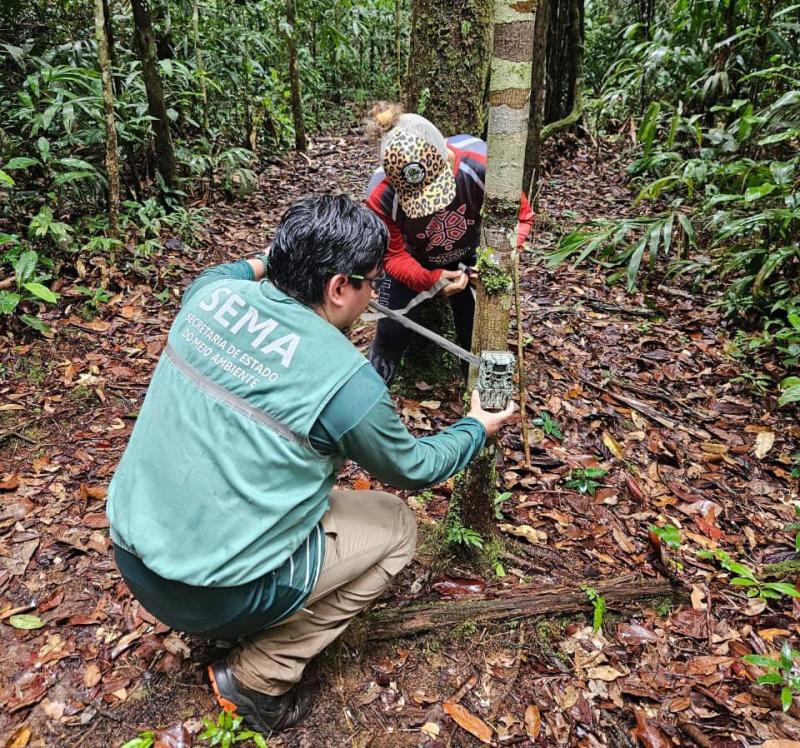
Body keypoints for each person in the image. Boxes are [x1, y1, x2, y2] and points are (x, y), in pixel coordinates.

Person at [106, 195, 516, 735]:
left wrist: (283, 259)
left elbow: (239, 267)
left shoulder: (209, 294)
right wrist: (476, 427)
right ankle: (257, 677)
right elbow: (413, 468)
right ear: (338, 287)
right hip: (207, 594)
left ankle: (236, 603)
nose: (373, 296)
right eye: (369, 283)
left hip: (132, 554)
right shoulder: (346, 383)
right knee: (397, 529)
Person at [364, 102, 534, 384]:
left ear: (445, 150)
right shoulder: (381, 194)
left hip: (471, 256)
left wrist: (496, 261)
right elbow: (392, 256)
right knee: (390, 333)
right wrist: (428, 278)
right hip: (413, 259)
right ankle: (371, 397)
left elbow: (521, 216)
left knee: (476, 333)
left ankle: (481, 406)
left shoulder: (481, 164)